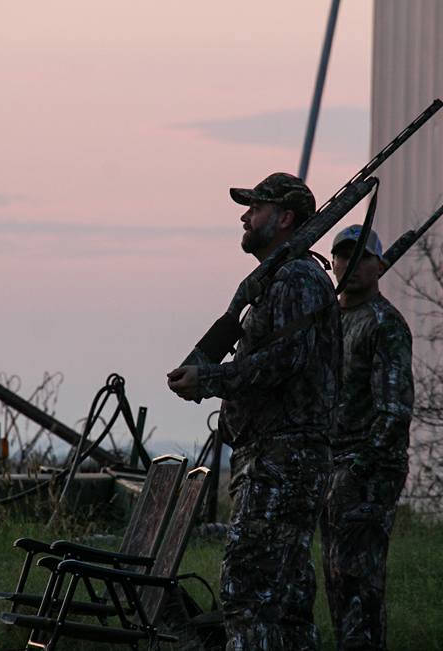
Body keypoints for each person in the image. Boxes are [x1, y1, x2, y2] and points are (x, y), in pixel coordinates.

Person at [167, 172, 342, 650]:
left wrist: (211, 379)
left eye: (255, 208)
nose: (245, 217)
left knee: (247, 595)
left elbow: (287, 362)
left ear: (285, 219)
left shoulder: (299, 278)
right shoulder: (274, 283)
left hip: (284, 459)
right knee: (283, 604)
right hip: (269, 458)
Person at [320, 225, 414, 651]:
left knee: (360, 584)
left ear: (379, 265)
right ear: (332, 262)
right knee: (337, 582)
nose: (350, 265)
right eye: (343, 256)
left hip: (368, 471)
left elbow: (394, 413)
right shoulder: (331, 319)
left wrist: (358, 470)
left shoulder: (386, 324)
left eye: (362, 258)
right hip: (332, 466)